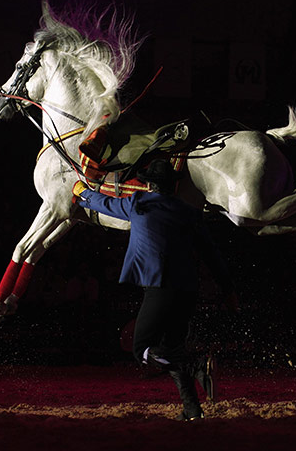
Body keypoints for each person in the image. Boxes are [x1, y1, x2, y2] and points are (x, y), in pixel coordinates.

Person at [72, 159, 238, 421]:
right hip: (188, 290)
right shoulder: (190, 212)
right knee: (171, 348)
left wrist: (82, 193)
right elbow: (211, 254)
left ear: (148, 184)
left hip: (160, 287)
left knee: (143, 351)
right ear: (173, 186)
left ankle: (196, 367)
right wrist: (228, 290)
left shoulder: (139, 203)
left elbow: (105, 204)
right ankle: (192, 409)